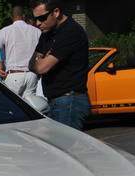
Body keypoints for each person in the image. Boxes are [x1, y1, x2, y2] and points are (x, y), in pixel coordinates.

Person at [29, 0, 90, 130]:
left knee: (65, 147)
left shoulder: (70, 31)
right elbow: (31, 64)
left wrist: (40, 60)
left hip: (69, 101)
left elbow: (41, 67)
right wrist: (40, 61)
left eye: (42, 18)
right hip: (55, 100)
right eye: (35, 19)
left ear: (56, 12)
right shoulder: (47, 33)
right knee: (56, 147)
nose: (38, 23)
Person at [0, 6, 41, 104]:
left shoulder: (5, 31)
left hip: (14, 74)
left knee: (11, 106)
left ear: (12, 17)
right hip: (32, 75)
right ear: (24, 16)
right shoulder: (36, 31)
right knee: (31, 108)